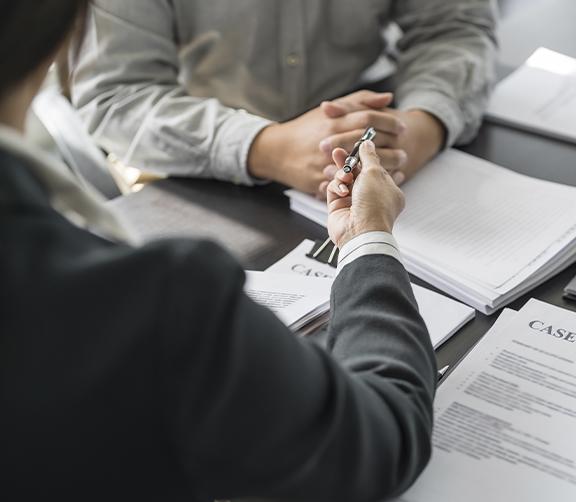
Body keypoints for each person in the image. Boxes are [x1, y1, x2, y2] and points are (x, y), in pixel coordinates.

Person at [0, 2, 437, 500]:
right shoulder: (161, 301)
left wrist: (420, 128)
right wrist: (368, 235)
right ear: (67, 33)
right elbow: (379, 443)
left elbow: (453, 24)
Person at [71, 0, 498, 196]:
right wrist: (268, 148)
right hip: (196, 161)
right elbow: (116, 97)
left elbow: (454, 28)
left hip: (363, 133)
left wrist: (421, 128)